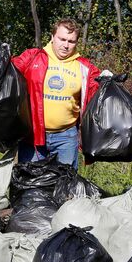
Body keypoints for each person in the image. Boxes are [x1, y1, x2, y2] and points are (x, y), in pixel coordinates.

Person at [11, 18, 105, 169]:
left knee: (65, 185)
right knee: (30, 186)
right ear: (52, 37)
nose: (66, 45)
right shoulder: (32, 57)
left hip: (66, 137)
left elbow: (97, 92)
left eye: (71, 41)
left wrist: (109, 82)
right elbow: (9, 72)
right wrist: (1, 60)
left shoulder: (85, 68)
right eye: (62, 39)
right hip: (33, 136)